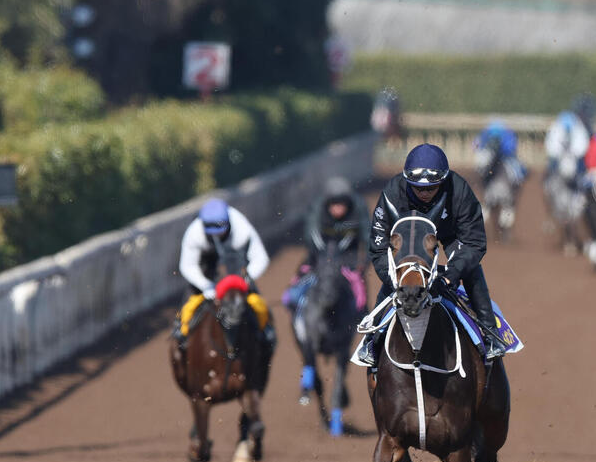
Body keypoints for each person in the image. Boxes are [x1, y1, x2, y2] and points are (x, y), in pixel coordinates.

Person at [355, 143, 508, 365]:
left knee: (471, 270)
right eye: (418, 188)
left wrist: (451, 276)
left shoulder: (460, 190)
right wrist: (395, 278)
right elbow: (378, 248)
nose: (425, 193)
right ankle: (372, 340)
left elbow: (474, 243)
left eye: (432, 188)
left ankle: (490, 334)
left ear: (443, 181)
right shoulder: (392, 194)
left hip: (450, 234)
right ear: (407, 181)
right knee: (398, 276)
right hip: (408, 238)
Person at [176, 197, 273, 350]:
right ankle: (181, 331)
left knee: (257, 304)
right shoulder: (194, 233)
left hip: (237, 271)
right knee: (188, 306)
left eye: (220, 232)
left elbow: (261, 258)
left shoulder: (242, 229)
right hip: (206, 271)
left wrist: (245, 279)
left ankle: (265, 330)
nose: (216, 237)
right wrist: (206, 286)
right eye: (211, 233)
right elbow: (187, 266)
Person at [283, 177, 369, 313]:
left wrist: (362, 264)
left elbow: (368, 237)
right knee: (291, 297)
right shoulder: (317, 209)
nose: (338, 208)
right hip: (319, 259)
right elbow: (310, 237)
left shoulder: (358, 208)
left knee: (360, 304)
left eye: (342, 203)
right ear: (327, 203)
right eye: (334, 204)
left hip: (348, 261)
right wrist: (324, 261)